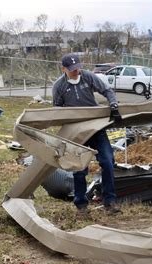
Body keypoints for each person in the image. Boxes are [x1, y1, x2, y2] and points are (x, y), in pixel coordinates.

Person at [52, 54, 122, 214]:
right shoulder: (59, 86)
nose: (76, 71)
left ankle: (110, 202)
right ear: (63, 69)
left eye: (77, 68)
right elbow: (57, 110)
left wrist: (114, 105)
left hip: (96, 127)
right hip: (76, 131)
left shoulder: (88, 77)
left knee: (108, 162)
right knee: (79, 168)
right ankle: (81, 205)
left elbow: (107, 90)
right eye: (72, 69)